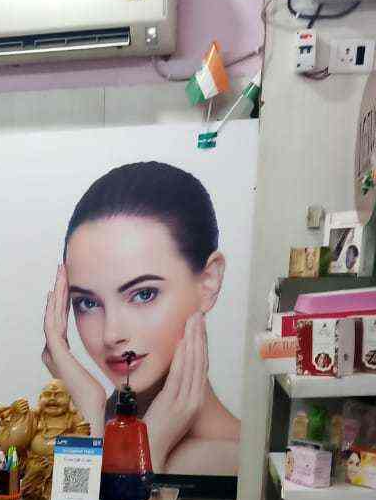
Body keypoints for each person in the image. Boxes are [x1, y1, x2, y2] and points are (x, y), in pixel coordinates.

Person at [42, 160, 240, 474]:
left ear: (209, 281)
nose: (111, 335)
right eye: (87, 303)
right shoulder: (85, 425)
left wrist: (151, 448)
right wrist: (90, 407)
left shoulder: (235, 458)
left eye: (144, 294)